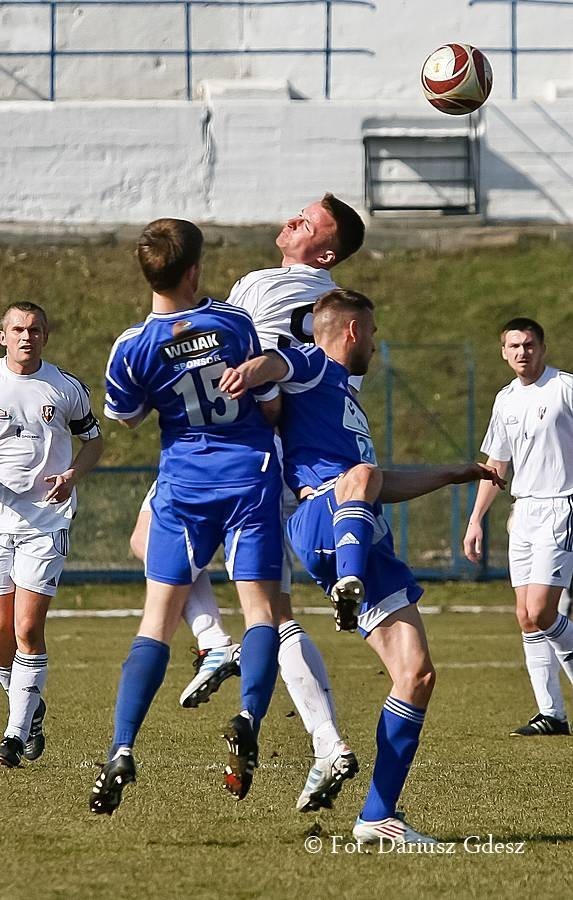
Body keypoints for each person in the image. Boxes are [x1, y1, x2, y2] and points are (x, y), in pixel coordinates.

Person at [220, 288, 506, 845]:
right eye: (371, 332)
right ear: (352, 331)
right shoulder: (314, 363)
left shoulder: (348, 402)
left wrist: (451, 474)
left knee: (416, 675)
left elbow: (378, 484)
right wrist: (247, 371)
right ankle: (346, 585)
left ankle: (376, 817)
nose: (374, 343)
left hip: (362, 527)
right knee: (361, 477)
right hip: (322, 518)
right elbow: (276, 362)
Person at [137, 193, 366, 814]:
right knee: (273, 608)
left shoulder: (265, 286)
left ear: (322, 250)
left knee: (154, 543)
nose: (293, 217)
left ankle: (218, 645)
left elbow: (226, 352)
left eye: (308, 220)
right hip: (297, 462)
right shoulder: (335, 310)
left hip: (237, 452)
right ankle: (326, 742)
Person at [90, 218, 284, 815]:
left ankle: (122, 747)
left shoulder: (132, 347)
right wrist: (266, 371)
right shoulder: (234, 323)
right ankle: (249, 714)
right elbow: (272, 405)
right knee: (260, 611)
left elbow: (125, 417)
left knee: (156, 622)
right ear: (195, 270)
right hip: (248, 476)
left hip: (183, 485)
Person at [0, 302, 103, 768]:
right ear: (3, 336)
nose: (27, 336)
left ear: (46, 335)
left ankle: (15, 735)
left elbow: (94, 439)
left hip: (46, 521)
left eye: (35, 329)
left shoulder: (63, 388)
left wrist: (73, 475)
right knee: (1, 633)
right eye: (18, 329)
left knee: (26, 628)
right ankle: (31, 704)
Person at [463, 317, 573, 736]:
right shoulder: (505, 399)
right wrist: (476, 520)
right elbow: (496, 466)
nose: (522, 352)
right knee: (526, 617)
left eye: (529, 344)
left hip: (562, 505)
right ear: (503, 353)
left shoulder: (565, 388)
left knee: (543, 611)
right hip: (523, 512)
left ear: (542, 348)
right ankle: (552, 714)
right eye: (514, 346)